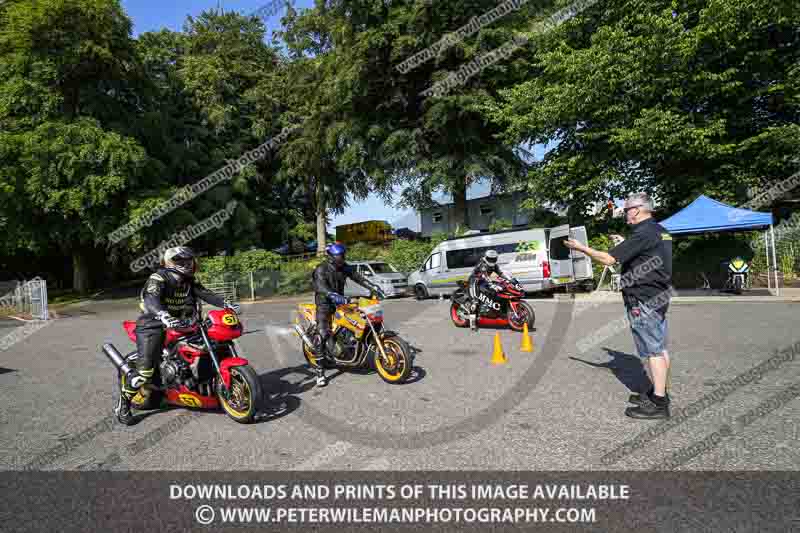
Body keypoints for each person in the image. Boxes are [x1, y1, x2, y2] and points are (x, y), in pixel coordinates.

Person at [565, 193, 673, 419]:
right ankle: (659, 392)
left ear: (638, 210)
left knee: (653, 351)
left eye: (627, 210)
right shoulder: (659, 230)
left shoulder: (643, 233)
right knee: (660, 347)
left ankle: (659, 404)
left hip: (643, 298)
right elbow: (644, 254)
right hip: (658, 295)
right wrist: (624, 244)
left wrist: (582, 248)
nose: (625, 214)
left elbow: (608, 259)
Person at [115, 246, 239, 425]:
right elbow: (151, 298)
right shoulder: (159, 278)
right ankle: (123, 404)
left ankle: (202, 382)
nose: (187, 264)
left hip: (181, 323)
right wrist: (162, 314)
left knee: (208, 345)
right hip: (153, 325)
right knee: (144, 372)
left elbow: (206, 294)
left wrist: (227, 303)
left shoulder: (189, 281)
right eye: (181, 260)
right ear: (170, 262)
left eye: (189, 260)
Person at [311, 243, 385, 387]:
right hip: (324, 304)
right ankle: (319, 372)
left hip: (340, 302)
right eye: (340, 256)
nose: (342, 258)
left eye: (343, 256)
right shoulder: (321, 269)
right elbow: (320, 286)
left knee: (359, 321)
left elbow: (358, 277)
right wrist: (332, 295)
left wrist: (373, 287)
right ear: (331, 257)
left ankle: (352, 348)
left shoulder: (344, 267)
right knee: (322, 334)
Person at [467, 250, 508, 326]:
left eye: (494, 259)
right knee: (474, 302)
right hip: (474, 281)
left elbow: (500, 273)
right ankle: (472, 323)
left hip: (484, 281)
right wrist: (492, 285)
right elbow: (485, 276)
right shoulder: (483, 264)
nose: (492, 261)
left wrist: (508, 280)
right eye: (490, 259)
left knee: (497, 292)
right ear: (486, 258)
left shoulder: (495, 265)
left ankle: (495, 310)